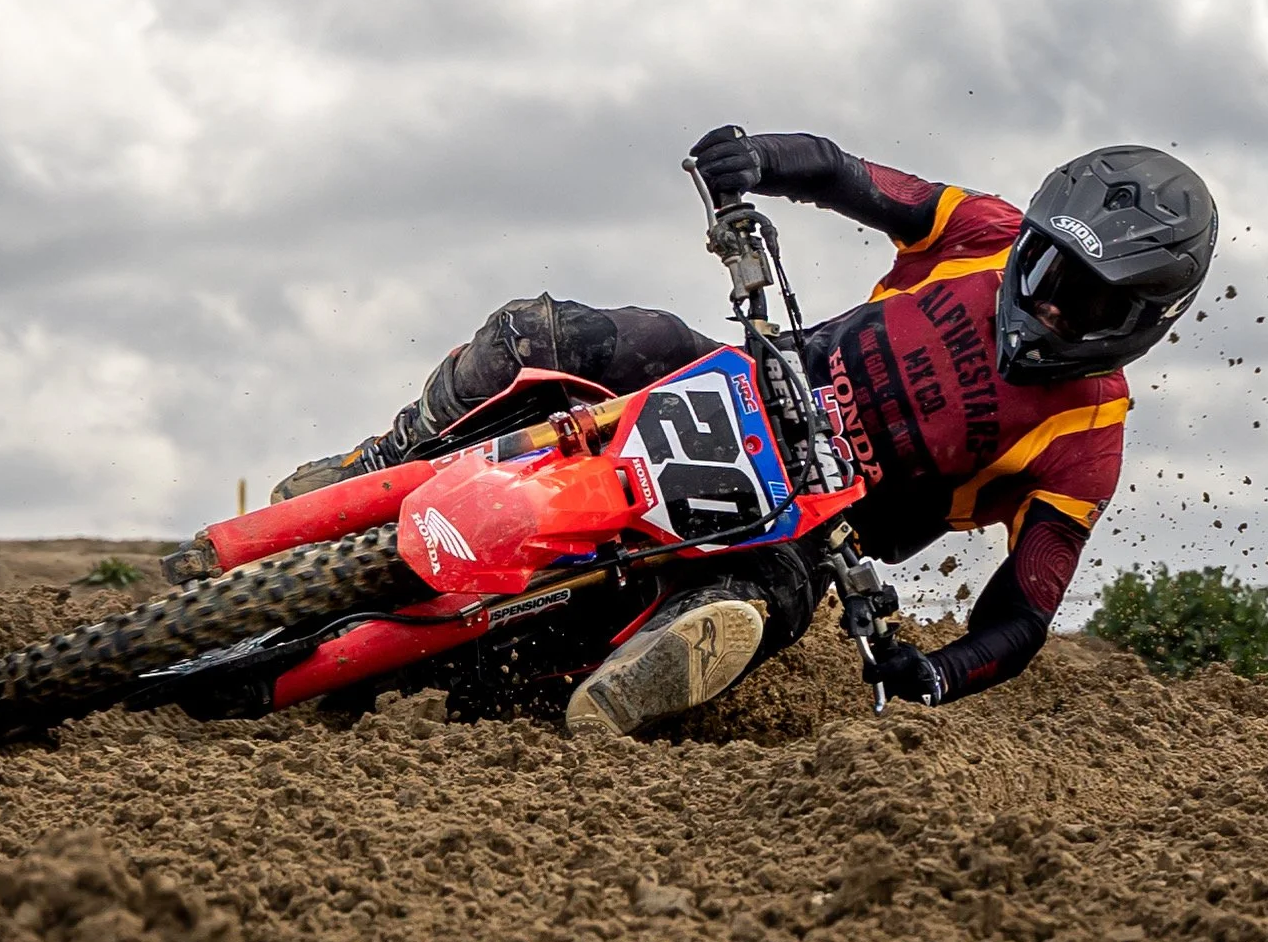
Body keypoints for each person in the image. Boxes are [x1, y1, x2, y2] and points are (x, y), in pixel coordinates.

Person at [274, 128, 1218, 736]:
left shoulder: (1087, 440)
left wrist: (935, 673)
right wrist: (753, 160)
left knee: (744, 609)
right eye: (1048, 268)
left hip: (811, 533)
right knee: (549, 330)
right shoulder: (980, 229)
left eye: (1086, 301)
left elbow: (1021, 616)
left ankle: (587, 684)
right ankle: (380, 461)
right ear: (1033, 236)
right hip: (736, 377)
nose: (1050, 304)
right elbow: (847, 176)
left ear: (1141, 317)